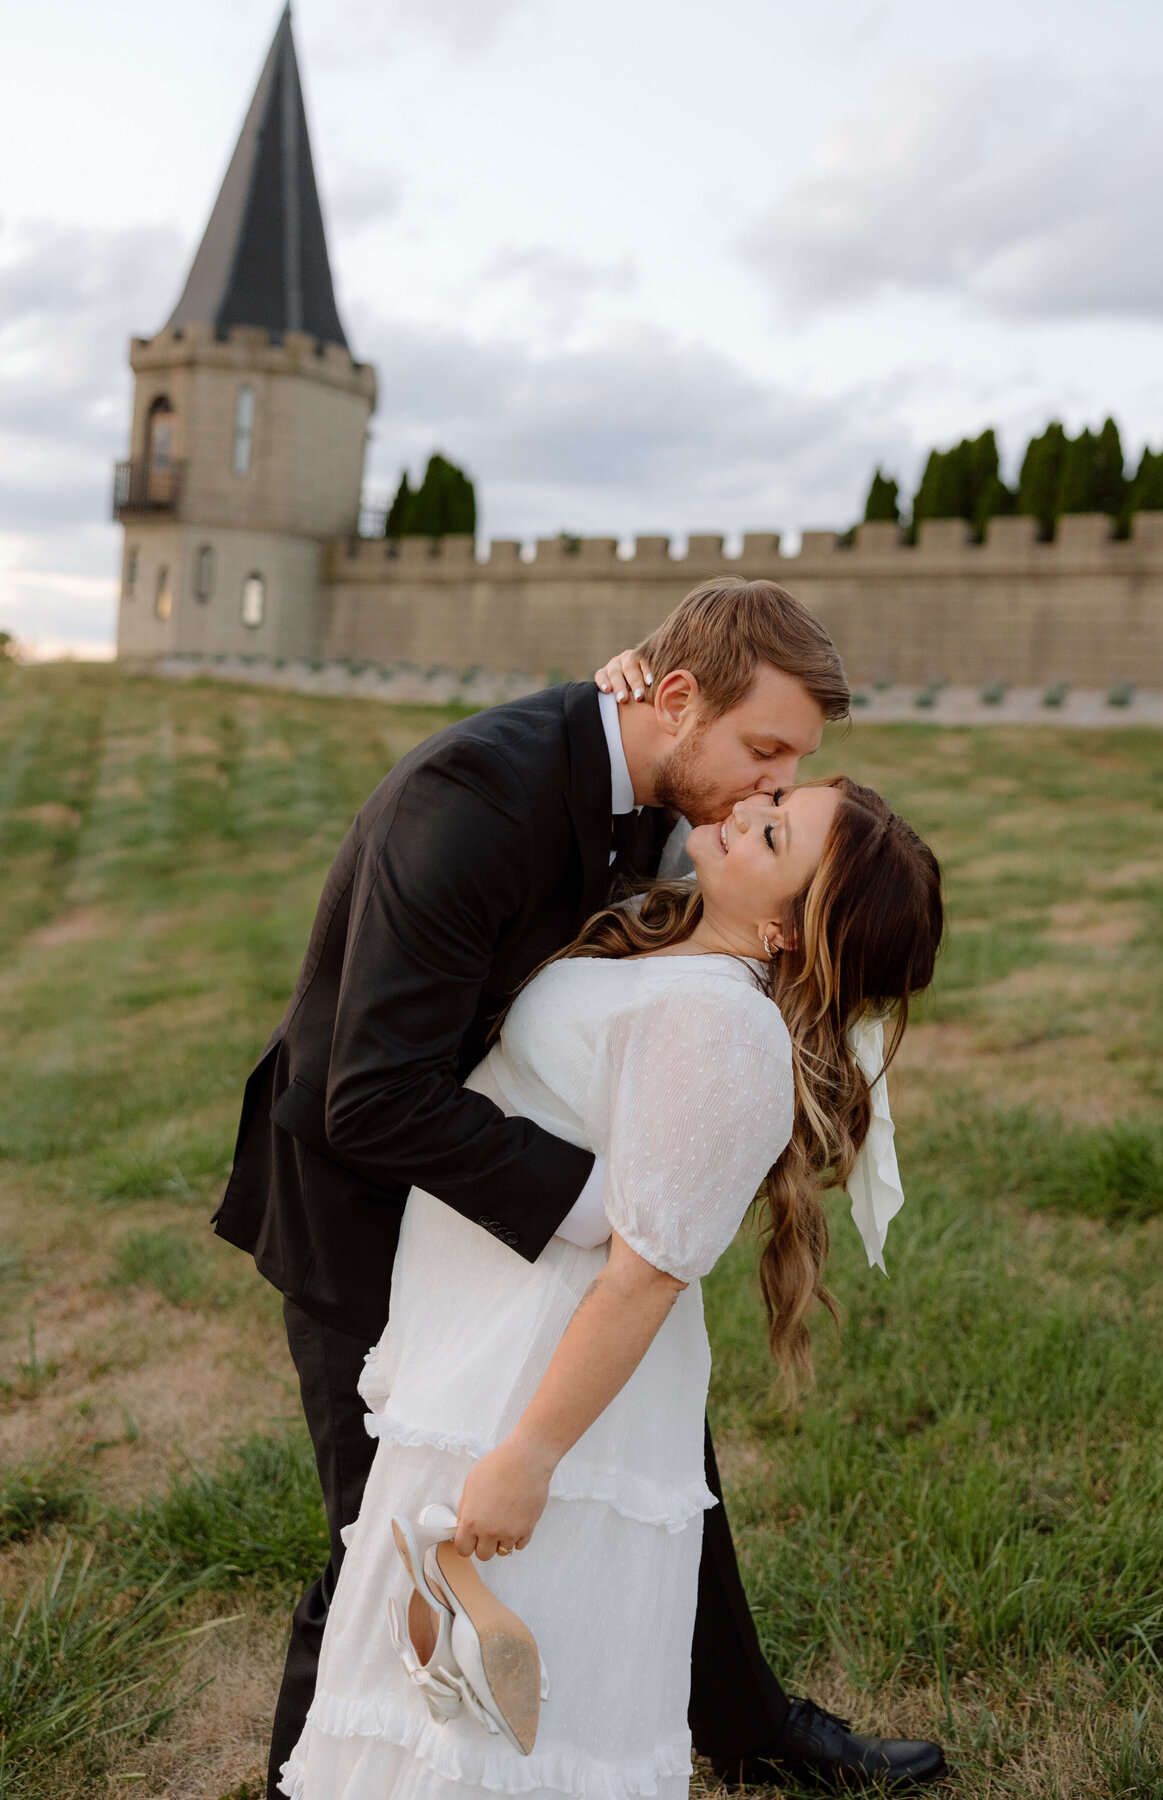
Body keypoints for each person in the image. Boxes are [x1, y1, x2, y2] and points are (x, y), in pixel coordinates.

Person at [214, 577, 946, 1794]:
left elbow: (776, 917)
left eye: (790, 771)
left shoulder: (665, 783)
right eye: (763, 753)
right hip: (366, 1197)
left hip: (526, 1208)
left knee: (650, 1468)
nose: (767, 789)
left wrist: (639, 1254)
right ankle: (319, 1771)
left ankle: (747, 1725)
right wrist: (617, 1221)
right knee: (394, 1529)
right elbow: (371, 1094)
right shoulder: (475, 796)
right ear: (671, 701)